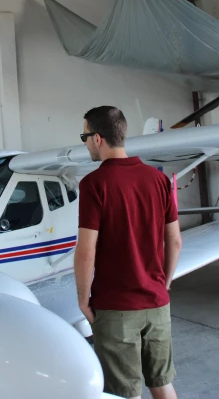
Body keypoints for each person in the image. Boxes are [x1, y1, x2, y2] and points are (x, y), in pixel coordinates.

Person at [74, 106, 182, 399]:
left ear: (98, 138)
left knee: (124, 392)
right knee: (161, 383)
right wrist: (165, 284)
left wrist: (83, 300)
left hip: (115, 306)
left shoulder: (94, 184)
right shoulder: (159, 180)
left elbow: (86, 252)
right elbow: (174, 242)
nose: (84, 143)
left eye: (84, 136)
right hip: (157, 302)